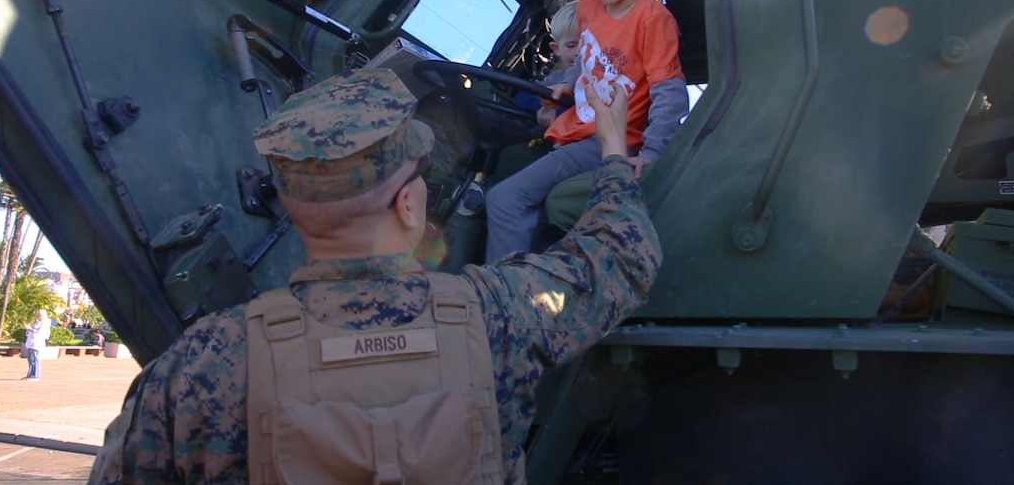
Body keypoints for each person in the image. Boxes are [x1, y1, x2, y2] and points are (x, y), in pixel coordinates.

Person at [89, 67, 661, 483]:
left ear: (291, 208)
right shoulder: (500, 315)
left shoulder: (201, 365)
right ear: (410, 207)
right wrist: (612, 149)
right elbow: (621, 254)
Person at [484, 0, 688, 263]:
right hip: (574, 130)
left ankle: (504, 301)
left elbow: (668, 91)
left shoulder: (653, 20)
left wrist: (653, 155)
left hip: (606, 139)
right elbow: (589, 59)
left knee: (505, 199)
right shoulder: (589, 7)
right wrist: (571, 84)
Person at [514, 0, 581, 127]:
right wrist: (545, 107)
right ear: (557, 49)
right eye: (572, 45)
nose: (580, 52)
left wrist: (557, 112)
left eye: (589, 43)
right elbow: (526, 94)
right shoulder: (558, 77)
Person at [22, 309, 51, 381]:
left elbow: (42, 333)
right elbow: (29, 332)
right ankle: (30, 374)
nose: (38, 316)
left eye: (40, 315)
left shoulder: (45, 323)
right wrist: (28, 329)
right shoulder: (36, 323)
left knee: (35, 360)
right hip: (31, 343)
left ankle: (35, 375)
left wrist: (31, 329)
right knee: (30, 360)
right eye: (37, 315)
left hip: (37, 343)